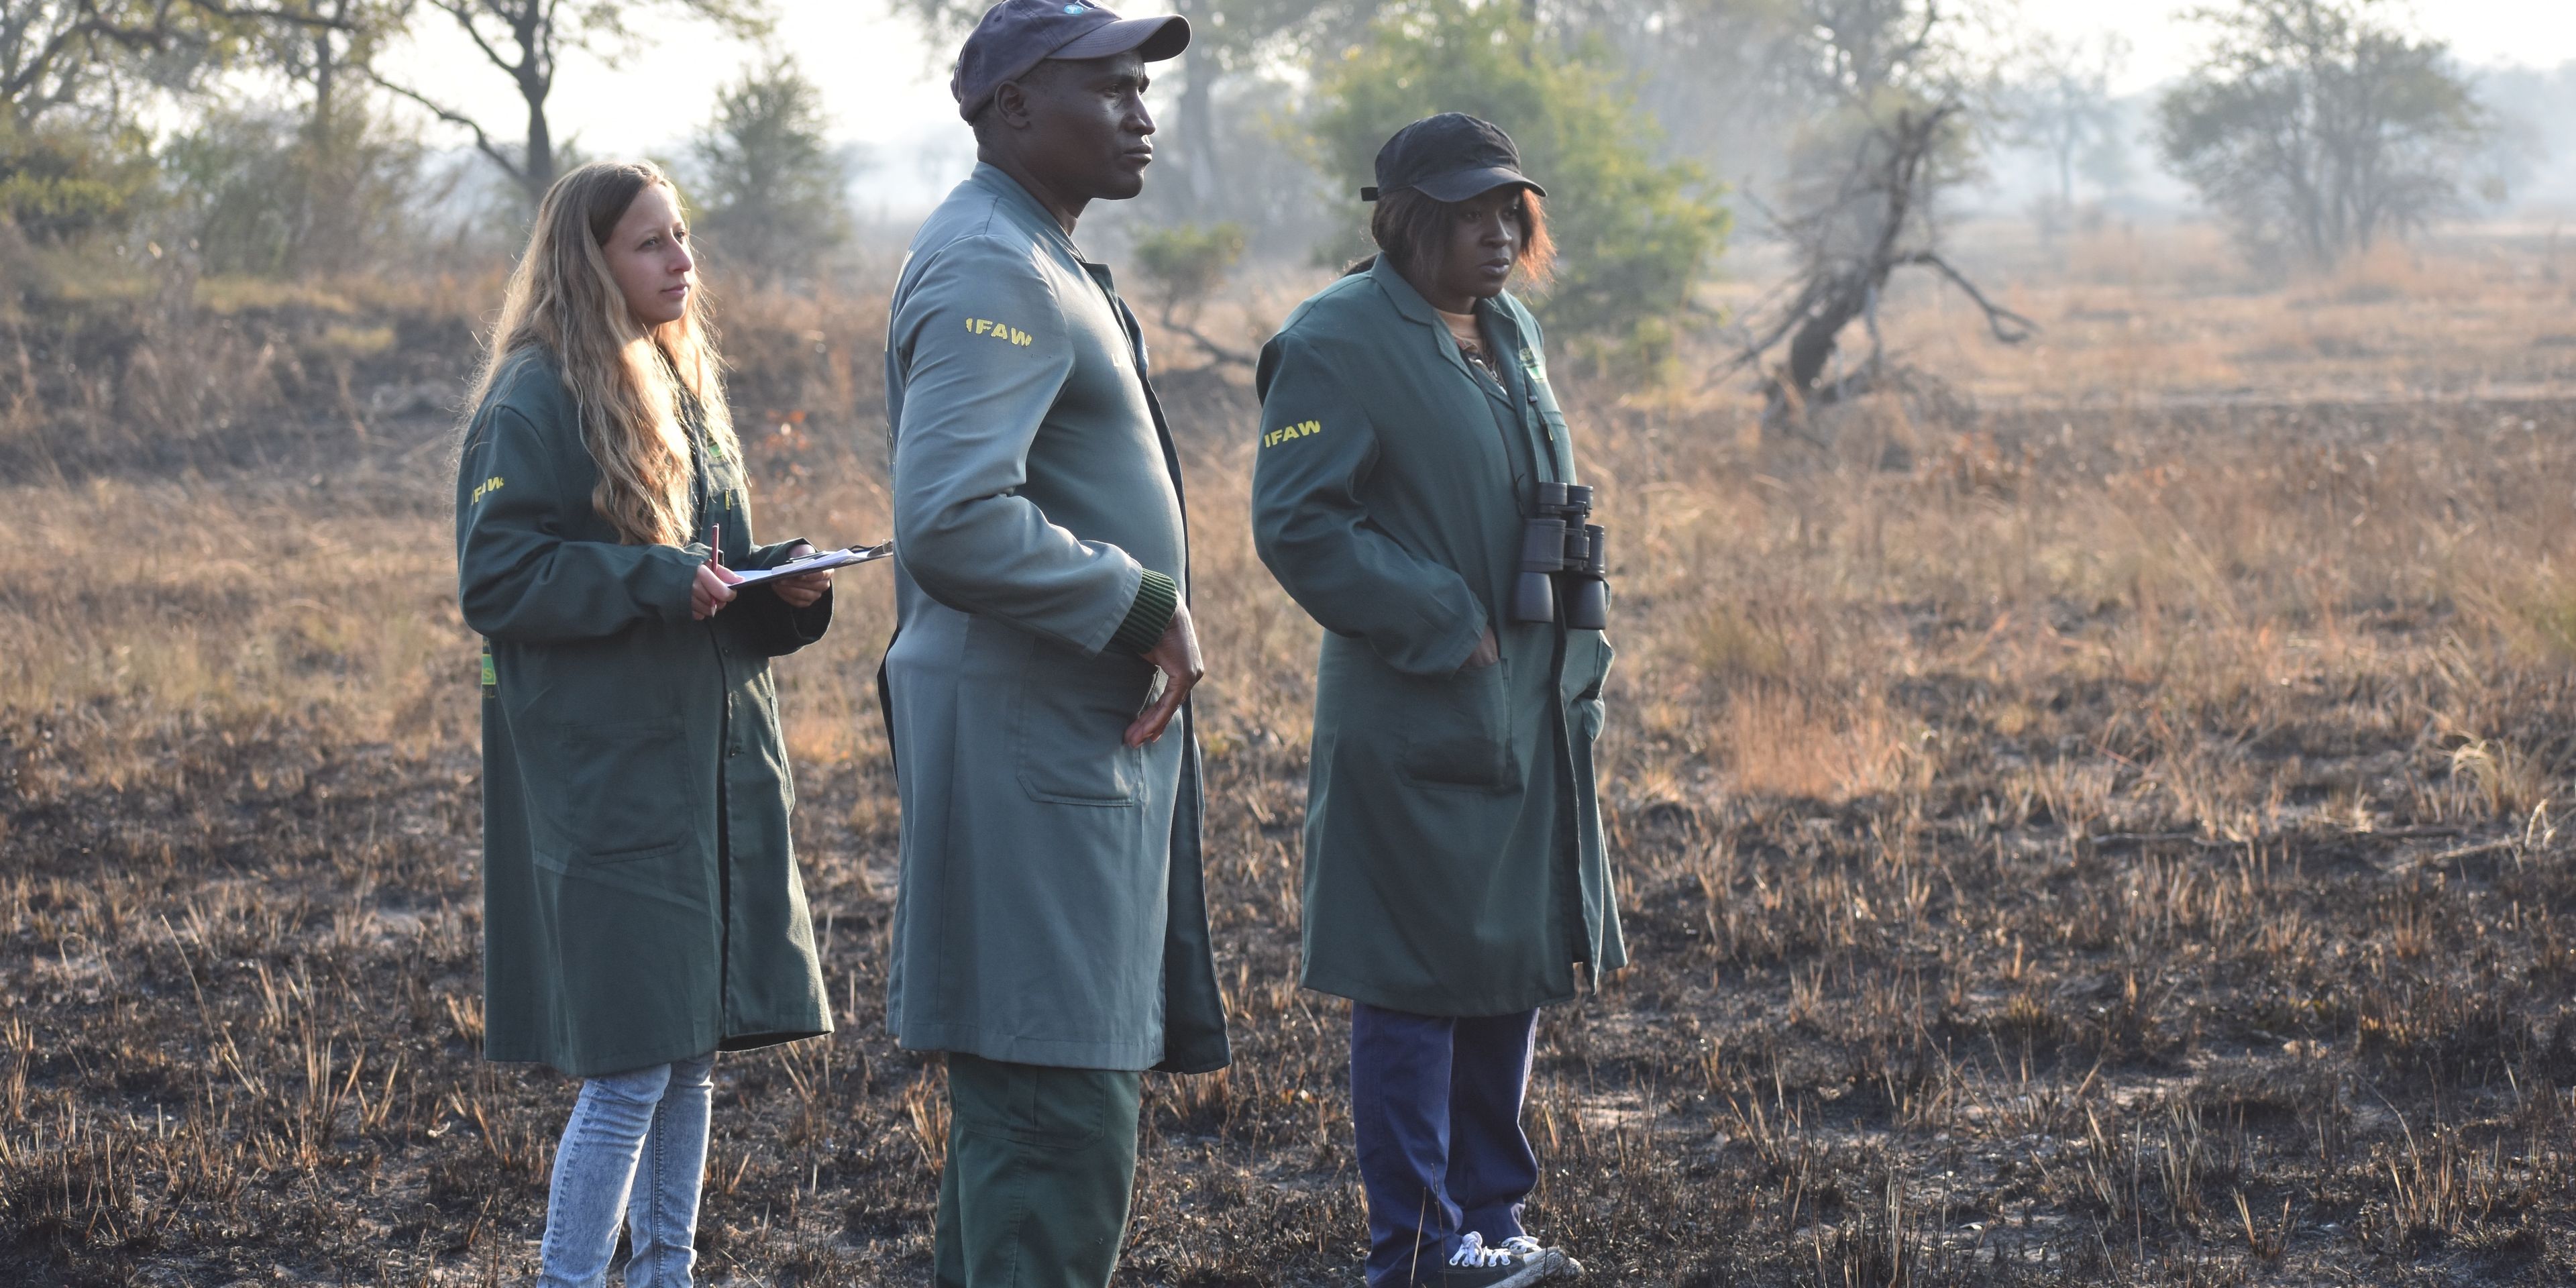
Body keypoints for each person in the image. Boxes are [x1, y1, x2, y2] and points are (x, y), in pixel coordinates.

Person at [876, 3, 1230, 1285]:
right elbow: (955, 521)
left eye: (1147, 91)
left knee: (1042, 1134)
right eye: (1113, 89)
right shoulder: (994, 269)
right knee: (1054, 1127)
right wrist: (1141, 602)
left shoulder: (1042, 257)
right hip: (1038, 764)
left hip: (1068, 757)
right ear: (1014, 106)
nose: (1143, 115)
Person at [1248, 114, 1623, 1288]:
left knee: (1507, 963)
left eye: (1510, 209)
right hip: (1419, 709)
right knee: (1414, 980)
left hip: (1530, 709)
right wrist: (1443, 615)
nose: (1499, 234)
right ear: (1405, 220)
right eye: (1468, 214)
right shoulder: (1334, 340)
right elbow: (1299, 523)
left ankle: (1493, 1222)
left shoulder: (1510, 331)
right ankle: (1412, 1246)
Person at [454, 160, 837, 1288]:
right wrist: (653, 582)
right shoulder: (530, 398)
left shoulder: (681, 381)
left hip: (711, 764)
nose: (681, 262)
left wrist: (780, 587)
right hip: (613, 777)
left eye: (683, 238)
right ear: (589, 261)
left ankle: (665, 1274)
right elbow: (500, 578)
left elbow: (702, 575)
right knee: (631, 1066)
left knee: (692, 1057)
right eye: (651, 243)